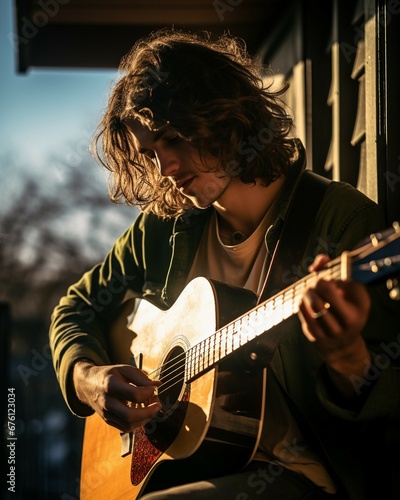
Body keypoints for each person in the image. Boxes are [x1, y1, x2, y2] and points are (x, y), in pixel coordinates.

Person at [49, 29, 400, 499]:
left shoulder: (339, 221)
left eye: (173, 138)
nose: (165, 168)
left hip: (301, 477)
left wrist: (346, 357)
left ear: (224, 116)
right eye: (151, 153)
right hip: (181, 467)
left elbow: (389, 400)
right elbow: (75, 306)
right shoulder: (166, 227)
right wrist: (87, 379)